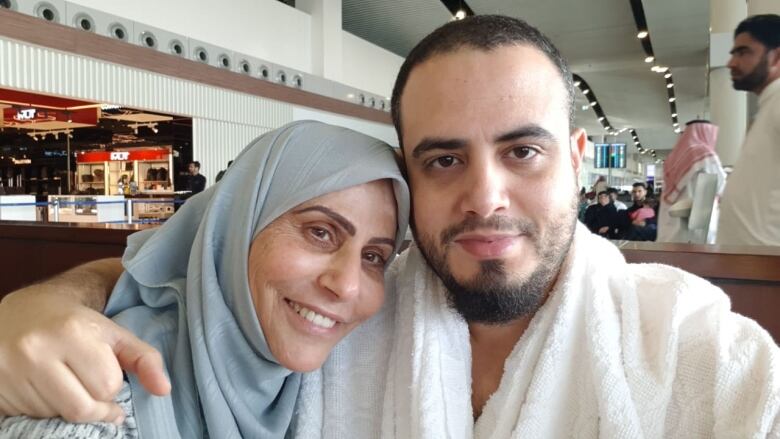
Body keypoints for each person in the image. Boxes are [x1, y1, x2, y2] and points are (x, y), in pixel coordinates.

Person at [0, 15, 778, 438]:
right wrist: (57, 300)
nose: (485, 195)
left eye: (523, 151)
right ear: (408, 175)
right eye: (444, 161)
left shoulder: (688, 343)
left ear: (577, 159)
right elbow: (207, 266)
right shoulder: (342, 322)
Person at [0, 121, 410, 438]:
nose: (348, 285)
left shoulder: (334, 380)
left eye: (374, 256)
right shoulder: (93, 402)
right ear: (235, 230)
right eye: (320, 232)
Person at [717, 14, 780, 246]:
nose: (731, 63)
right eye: (733, 53)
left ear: (776, 56)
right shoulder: (768, 106)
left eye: (743, 52)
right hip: (752, 266)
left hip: (768, 269)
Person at [657, 120, 726, 244]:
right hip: (698, 219)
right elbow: (721, 186)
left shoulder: (673, 157)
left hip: (672, 223)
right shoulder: (705, 155)